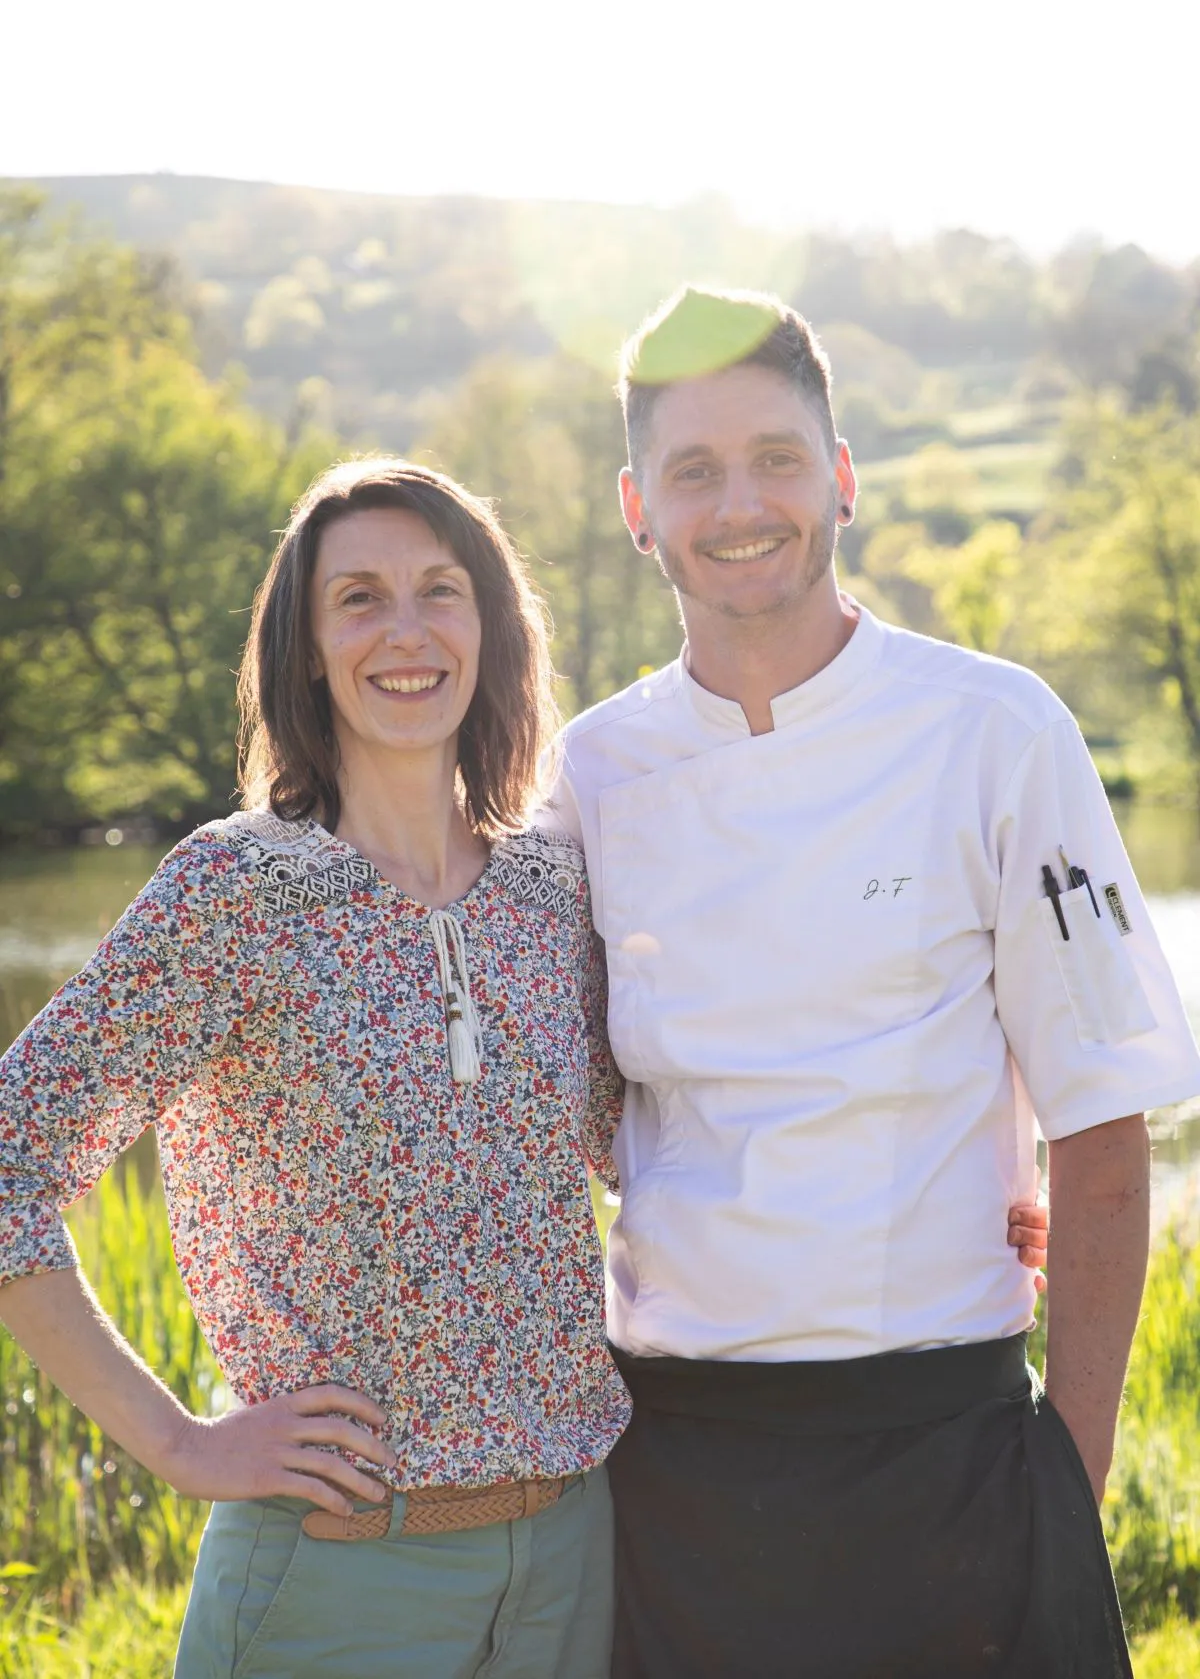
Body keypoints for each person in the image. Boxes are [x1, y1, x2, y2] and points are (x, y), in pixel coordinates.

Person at [543, 287, 1200, 1679]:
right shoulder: (590, 777)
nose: (741, 503)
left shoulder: (997, 729)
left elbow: (1099, 1131)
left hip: (952, 1456)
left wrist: (1063, 1500)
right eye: (695, 470)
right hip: (677, 1474)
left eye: (778, 456)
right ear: (635, 507)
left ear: (841, 477)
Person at [0, 459, 631, 1679]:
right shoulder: (238, 891)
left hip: (572, 1559)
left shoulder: (556, 890)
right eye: (359, 598)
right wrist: (178, 1444)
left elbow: (651, 1153)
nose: (406, 631)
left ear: (490, 629)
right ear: (304, 649)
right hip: (336, 1574)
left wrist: (973, 1191)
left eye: (441, 591)